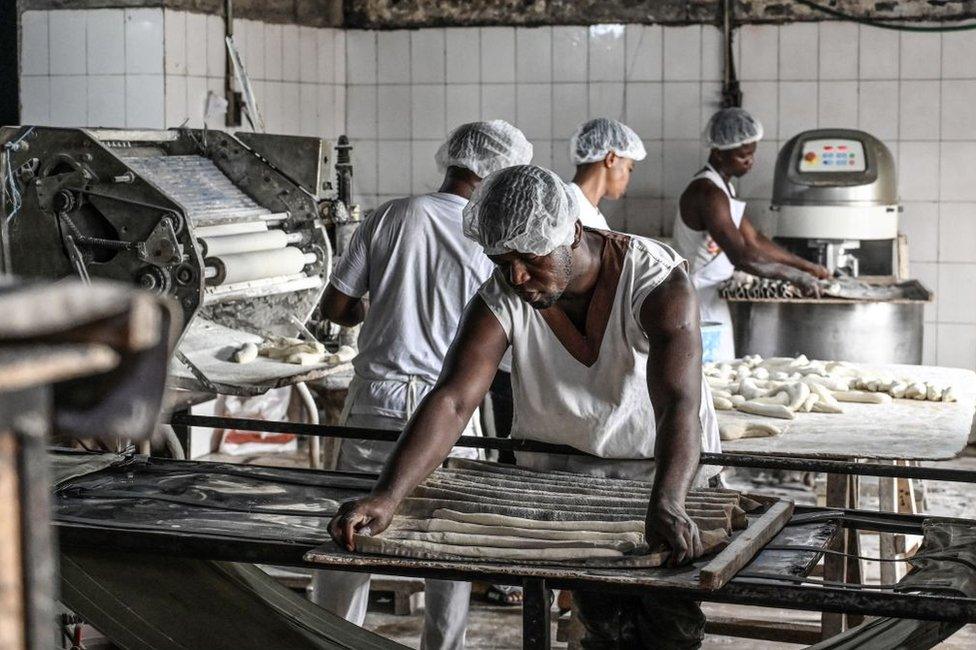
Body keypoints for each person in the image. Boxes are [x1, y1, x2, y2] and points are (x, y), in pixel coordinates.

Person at [329, 165, 722, 648]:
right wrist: (386, 497)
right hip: (570, 485)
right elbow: (453, 399)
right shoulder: (505, 294)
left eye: (529, 257)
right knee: (603, 624)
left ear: (573, 233)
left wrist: (668, 501)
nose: (515, 275)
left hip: (659, 476)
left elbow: (678, 404)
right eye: (500, 260)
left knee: (666, 631)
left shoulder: (656, 282)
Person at [313, 120, 533, 649]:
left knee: (352, 533)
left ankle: (332, 639)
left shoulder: (392, 215)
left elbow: (336, 308)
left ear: (454, 161)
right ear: (500, 174)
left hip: (377, 401)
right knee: (446, 542)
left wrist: (385, 305)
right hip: (452, 407)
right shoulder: (493, 240)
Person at [674, 107, 830, 360]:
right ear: (718, 152)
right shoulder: (707, 193)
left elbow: (754, 239)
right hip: (695, 300)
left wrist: (808, 266)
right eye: (742, 156)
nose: (750, 162)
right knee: (710, 378)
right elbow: (743, 256)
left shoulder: (724, 188)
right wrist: (796, 277)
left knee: (721, 372)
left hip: (711, 297)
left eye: (751, 155)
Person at [567, 117, 647, 230]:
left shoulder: (589, 210)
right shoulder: (568, 209)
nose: (628, 179)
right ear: (611, 159)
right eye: (629, 168)